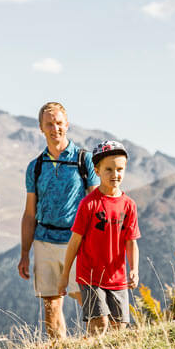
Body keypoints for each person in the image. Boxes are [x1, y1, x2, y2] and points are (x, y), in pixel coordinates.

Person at [18, 102, 99, 340]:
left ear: (67, 125)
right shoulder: (35, 167)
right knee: (51, 304)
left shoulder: (85, 160)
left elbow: (96, 205)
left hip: (76, 240)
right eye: (49, 124)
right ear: (41, 128)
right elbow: (29, 213)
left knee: (86, 297)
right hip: (44, 241)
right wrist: (25, 253)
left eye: (59, 123)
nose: (55, 128)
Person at [56, 140, 140, 335]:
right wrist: (64, 277)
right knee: (99, 324)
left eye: (119, 169)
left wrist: (134, 269)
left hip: (117, 277)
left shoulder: (129, 205)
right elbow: (74, 243)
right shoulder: (88, 204)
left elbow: (131, 241)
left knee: (119, 328)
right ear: (97, 170)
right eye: (108, 169)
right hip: (90, 276)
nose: (115, 174)